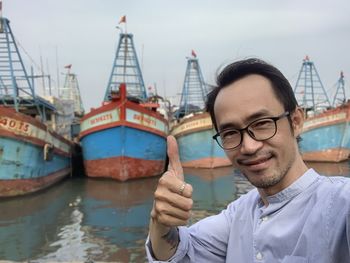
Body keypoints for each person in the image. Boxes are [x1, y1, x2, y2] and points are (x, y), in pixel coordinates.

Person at [145, 58, 350, 262]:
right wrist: (161, 224)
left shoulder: (340, 204)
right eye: (230, 133)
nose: (249, 147)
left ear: (295, 121)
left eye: (262, 123)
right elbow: (181, 253)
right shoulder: (238, 215)